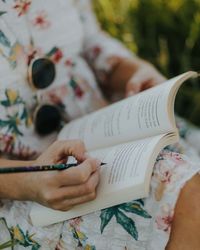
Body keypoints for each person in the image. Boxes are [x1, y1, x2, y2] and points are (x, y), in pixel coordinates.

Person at [0, 0, 199, 249]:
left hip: (108, 122)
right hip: (22, 194)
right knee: (186, 196)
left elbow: (90, 40)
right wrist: (24, 182)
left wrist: (133, 70)